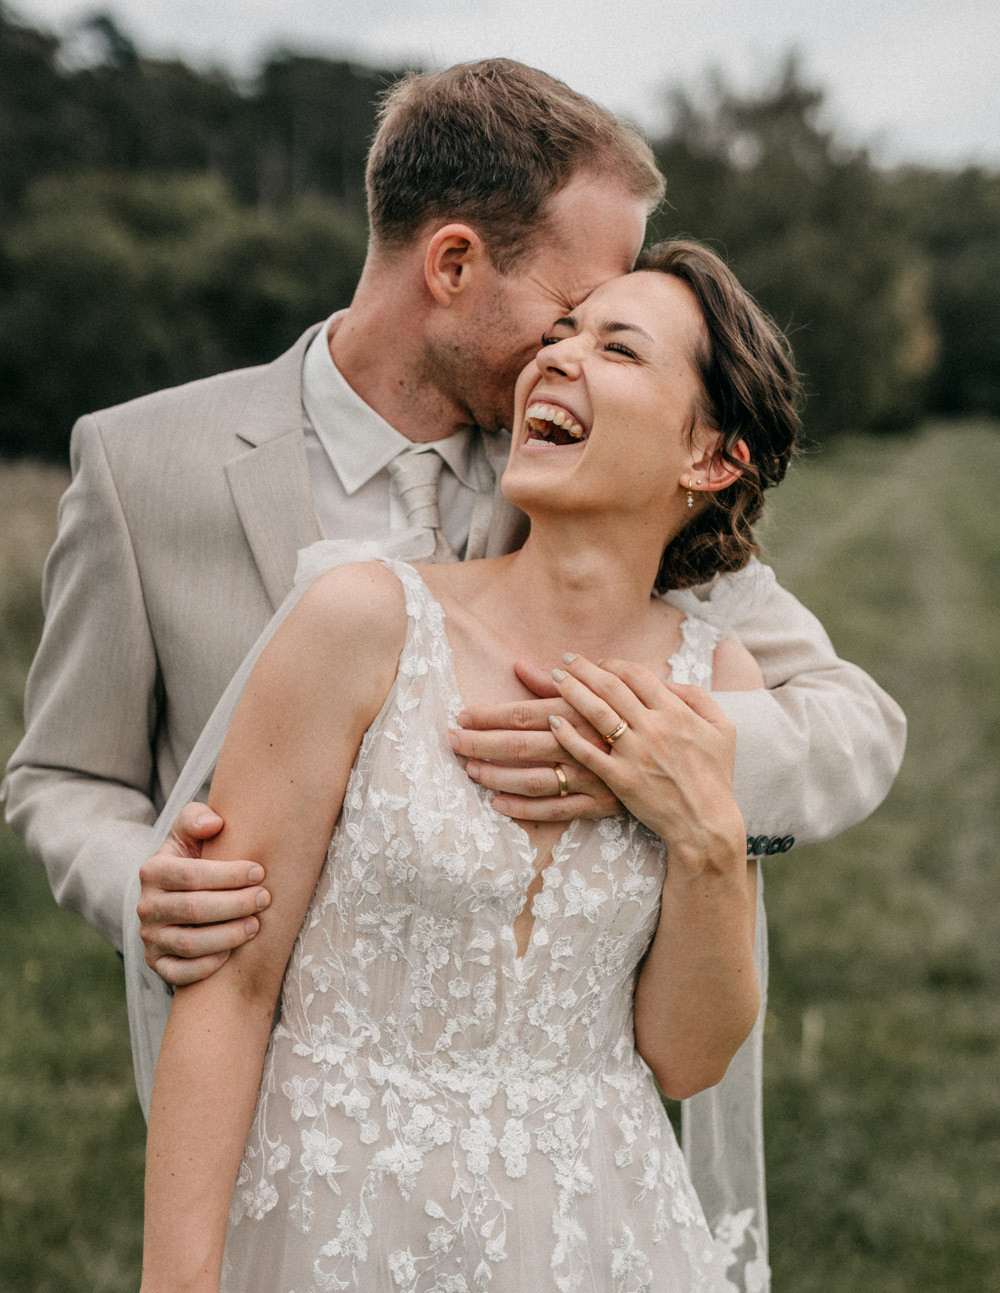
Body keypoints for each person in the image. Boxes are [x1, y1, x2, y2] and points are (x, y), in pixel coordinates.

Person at [2, 58, 904, 998]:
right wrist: (138, 883)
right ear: (454, 264)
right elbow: (64, 774)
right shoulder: (137, 464)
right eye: (569, 315)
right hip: (241, 1065)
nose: (576, 354)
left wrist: (652, 761)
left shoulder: (596, 478)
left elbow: (856, 726)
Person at [134, 241, 804, 1293]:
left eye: (618, 347)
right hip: (338, 1240)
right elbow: (226, 988)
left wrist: (708, 838)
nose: (558, 355)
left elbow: (686, 1055)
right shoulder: (361, 623)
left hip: (593, 1255)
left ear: (708, 461)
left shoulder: (719, 687)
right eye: (566, 332)